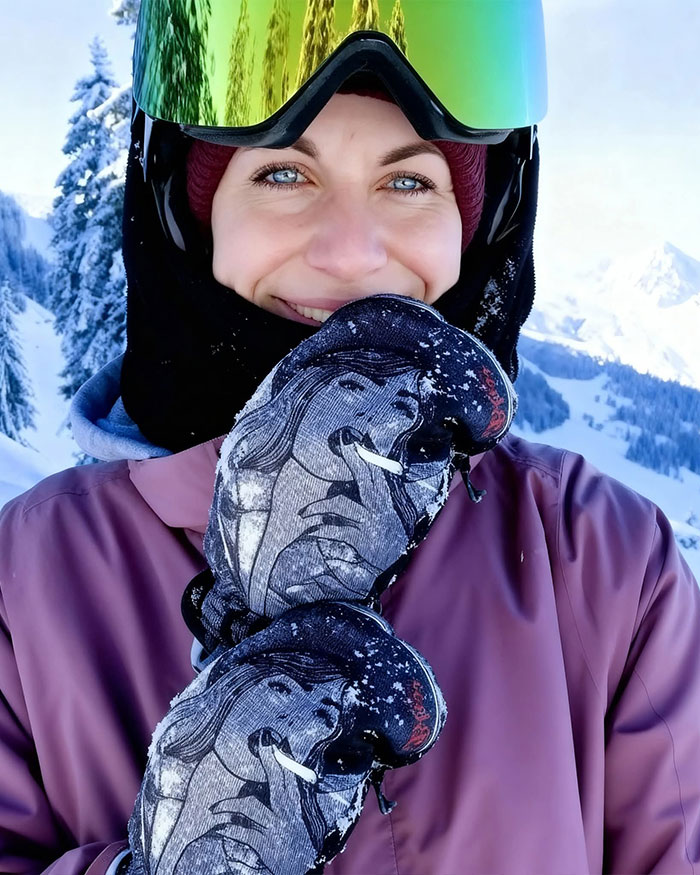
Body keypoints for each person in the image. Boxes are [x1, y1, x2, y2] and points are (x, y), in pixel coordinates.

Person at [1, 1, 699, 873]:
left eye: (409, 183)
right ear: (190, 212)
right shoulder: (25, 591)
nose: (351, 252)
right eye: (283, 174)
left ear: (480, 223)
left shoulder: (605, 563)